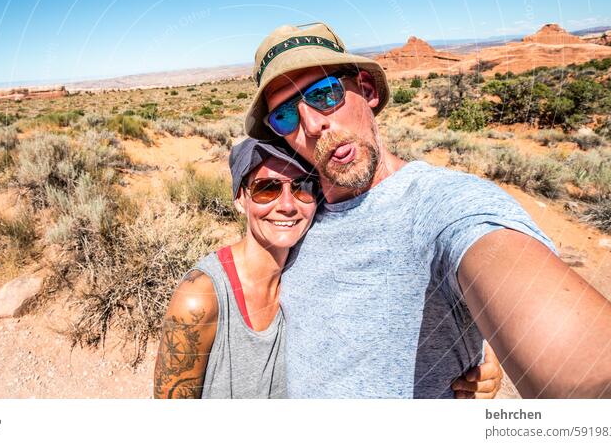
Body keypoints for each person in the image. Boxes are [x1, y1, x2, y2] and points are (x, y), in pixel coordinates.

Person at [243, 21, 611, 398]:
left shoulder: (444, 208)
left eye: (324, 93)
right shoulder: (293, 216)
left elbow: (587, 367)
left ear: (367, 89)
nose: (312, 125)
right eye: (285, 114)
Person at [153, 138, 504, 398]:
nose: (287, 205)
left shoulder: (313, 262)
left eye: (303, 187)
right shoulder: (201, 296)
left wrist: (480, 363)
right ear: (240, 198)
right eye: (266, 189)